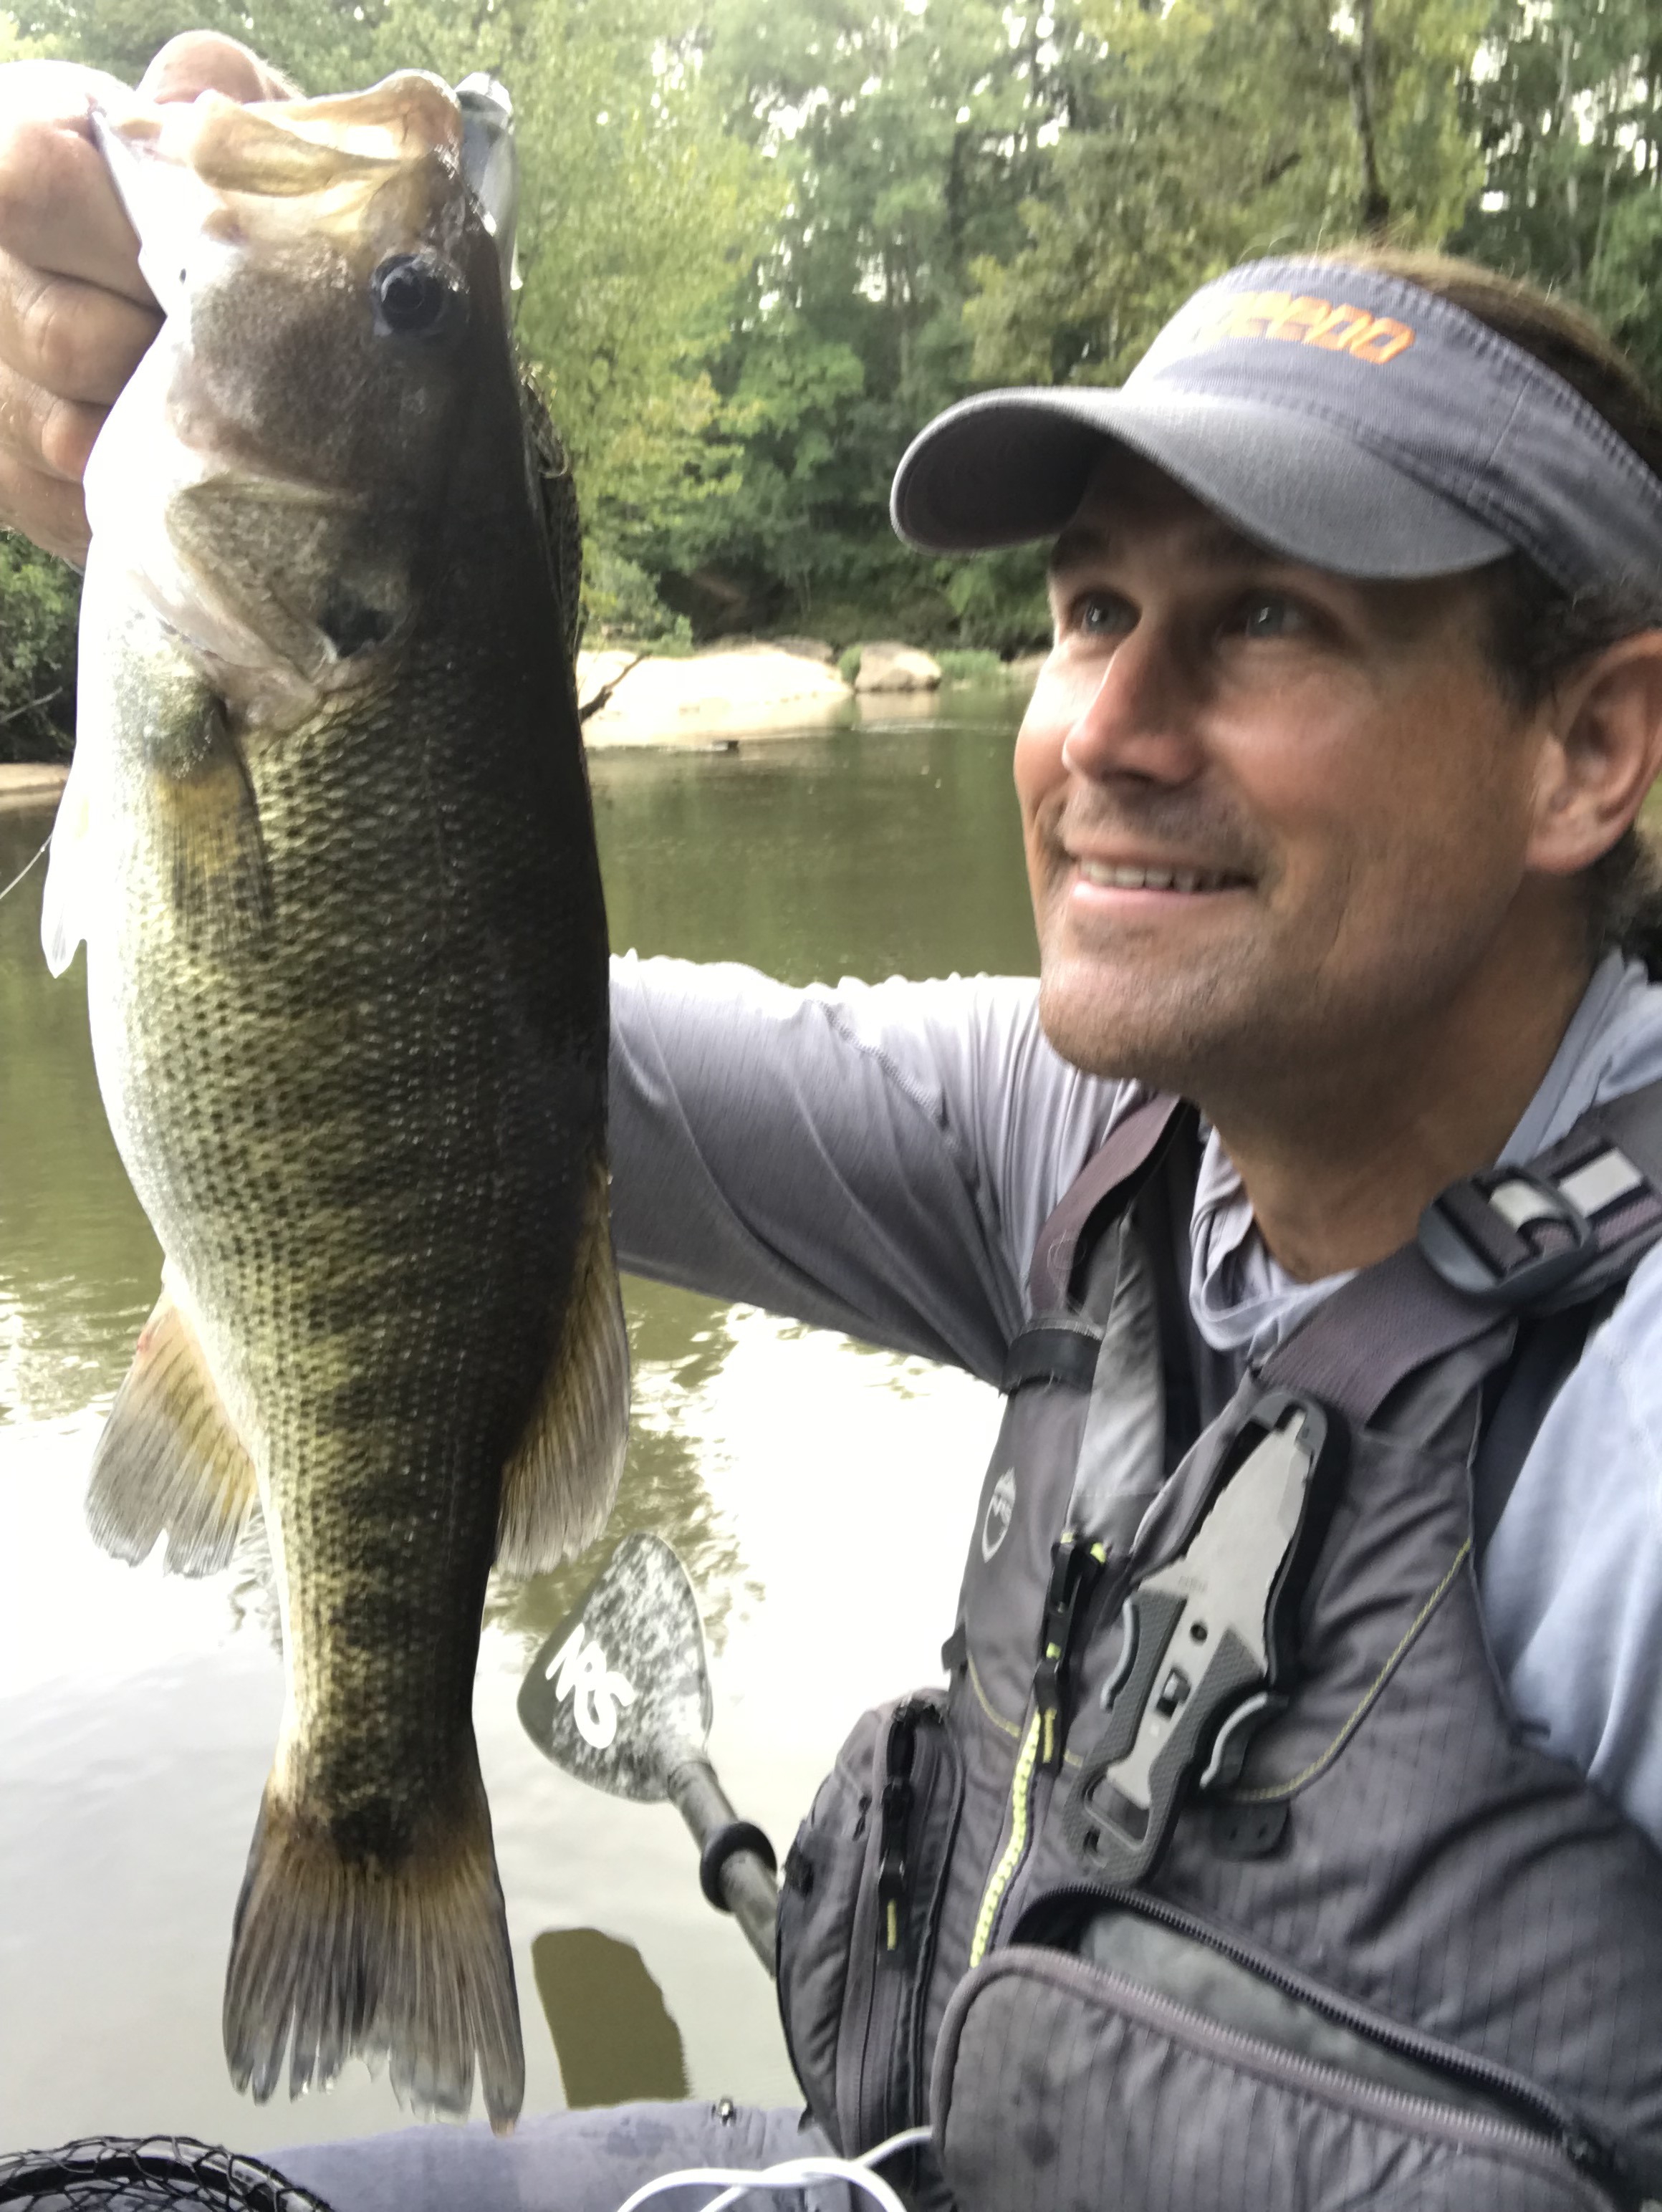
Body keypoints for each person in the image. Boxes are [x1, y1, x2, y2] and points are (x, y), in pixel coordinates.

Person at [9, 31, 1662, 2212]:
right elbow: (462, 1041)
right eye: (1089, 608)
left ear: (1589, 749)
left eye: (1263, 616)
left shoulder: (1627, 1430)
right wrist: (205, 309)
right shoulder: (1092, 1134)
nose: (1103, 731)